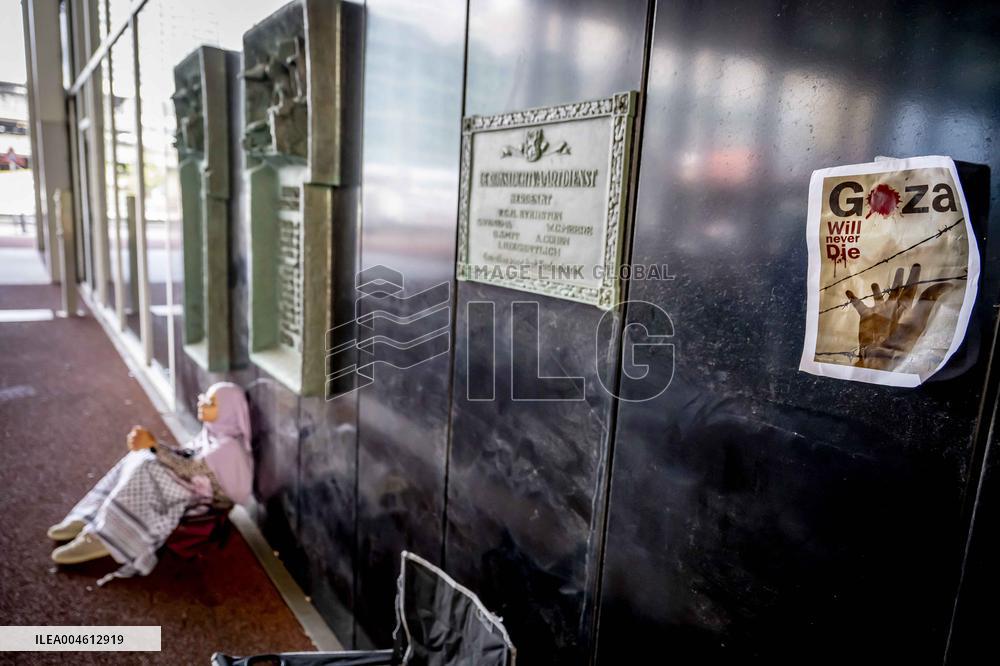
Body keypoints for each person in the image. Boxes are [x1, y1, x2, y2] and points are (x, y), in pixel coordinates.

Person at [47, 382, 253, 580]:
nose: (202, 403)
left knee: (148, 469)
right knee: (142, 457)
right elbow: (185, 457)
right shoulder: (213, 434)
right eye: (204, 399)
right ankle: (93, 516)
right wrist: (152, 447)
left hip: (203, 502)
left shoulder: (227, 447)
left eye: (211, 403)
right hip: (191, 486)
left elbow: (190, 468)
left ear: (227, 411)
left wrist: (154, 445)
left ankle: (108, 537)